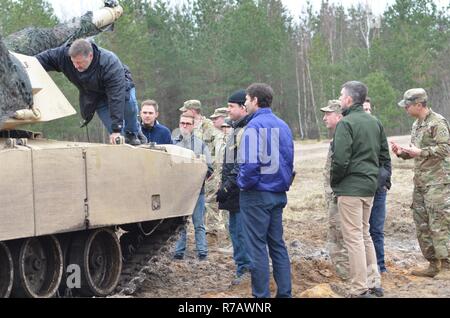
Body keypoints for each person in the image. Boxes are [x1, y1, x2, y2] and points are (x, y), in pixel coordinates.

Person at [331, 81, 390, 298]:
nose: (339, 99)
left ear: (349, 99)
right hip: (369, 188)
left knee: (354, 238)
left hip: (351, 188)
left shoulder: (346, 124)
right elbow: (384, 157)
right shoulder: (375, 122)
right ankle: (374, 283)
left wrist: (336, 183)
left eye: (340, 95)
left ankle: (359, 287)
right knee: (365, 235)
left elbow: (340, 160)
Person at [238, 83, 294, 298]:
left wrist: (243, 184)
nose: (244, 103)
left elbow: (250, 165)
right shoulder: (284, 126)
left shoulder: (254, 127)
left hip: (256, 195)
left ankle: (261, 297)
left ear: (254, 100)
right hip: (278, 194)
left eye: (246, 99)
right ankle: (285, 294)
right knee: (277, 245)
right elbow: (289, 161)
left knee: (257, 247)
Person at [35, 38, 144, 145]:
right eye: (74, 62)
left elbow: (116, 97)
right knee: (118, 136)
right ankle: (127, 143)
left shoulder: (109, 63)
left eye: (79, 62)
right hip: (96, 96)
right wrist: (25, 66)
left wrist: (117, 129)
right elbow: (42, 59)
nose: (76, 66)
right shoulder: (63, 55)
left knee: (130, 107)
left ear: (90, 56)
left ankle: (133, 132)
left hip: (121, 89)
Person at [391, 88, 450, 280]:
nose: (405, 109)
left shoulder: (437, 122)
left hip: (438, 182)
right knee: (422, 224)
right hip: (421, 183)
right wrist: (402, 152)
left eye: (407, 105)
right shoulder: (417, 125)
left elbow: (444, 148)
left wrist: (420, 152)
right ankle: (433, 264)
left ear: (419, 104)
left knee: (439, 223)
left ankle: (447, 267)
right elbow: (415, 150)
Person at [216, 90, 252, 285]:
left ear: (242, 107)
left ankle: (245, 270)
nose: (228, 110)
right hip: (234, 194)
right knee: (235, 230)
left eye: (231, 106)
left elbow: (241, 164)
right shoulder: (236, 129)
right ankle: (243, 267)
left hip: (240, 194)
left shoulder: (245, 130)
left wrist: (228, 187)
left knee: (240, 232)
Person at [172, 113, 213, 261]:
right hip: (178, 192)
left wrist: (198, 178)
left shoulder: (200, 145)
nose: (184, 126)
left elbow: (210, 168)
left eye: (188, 123)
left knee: (199, 223)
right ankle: (178, 252)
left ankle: (202, 252)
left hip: (197, 192)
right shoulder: (173, 143)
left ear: (193, 125)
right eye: (182, 123)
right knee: (179, 223)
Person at [320, 100, 349, 280]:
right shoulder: (337, 136)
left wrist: (336, 191)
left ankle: (348, 277)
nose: (324, 118)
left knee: (341, 238)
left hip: (341, 197)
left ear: (339, 116)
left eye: (328, 114)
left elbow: (341, 167)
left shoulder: (343, 136)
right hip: (336, 196)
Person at [363, 98, 392, 274]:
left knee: (376, 230)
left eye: (369, 109)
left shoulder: (377, 128)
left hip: (378, 188)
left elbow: (385, 158)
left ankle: (380, 266)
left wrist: (385, 180)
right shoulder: (353, 129)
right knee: (360, 230)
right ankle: (365, 266)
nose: (367, 112)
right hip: (361, 188)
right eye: (364, 108)